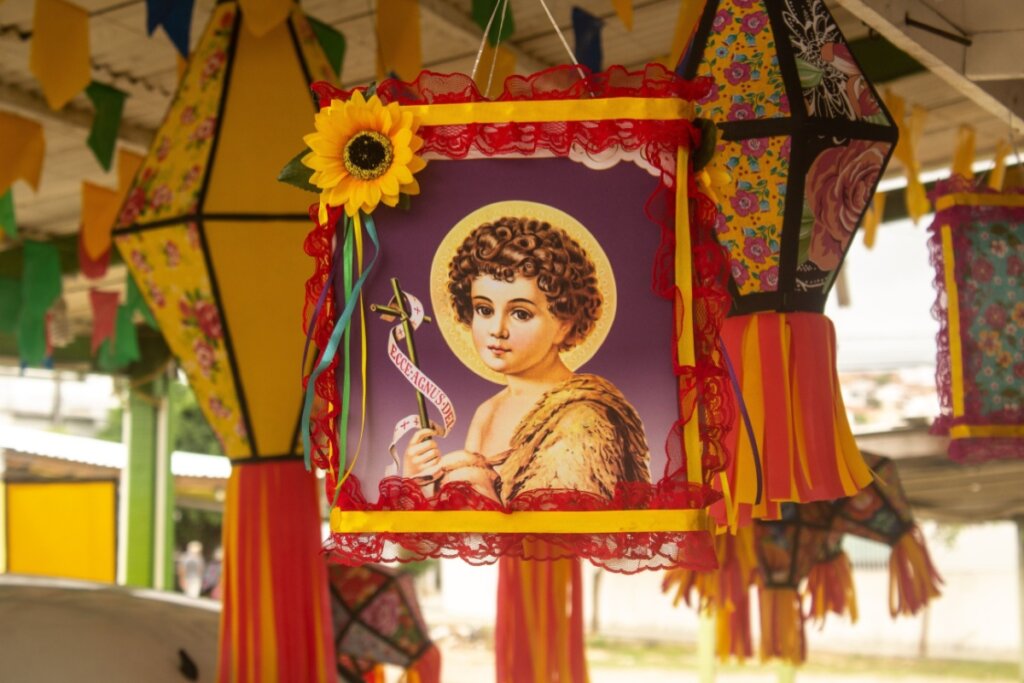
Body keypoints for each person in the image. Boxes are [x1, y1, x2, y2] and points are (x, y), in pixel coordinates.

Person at [404, 216, 651, 504]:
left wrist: (467, 481)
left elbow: (557, 539)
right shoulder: (487, 412)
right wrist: (420, 484)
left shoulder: (583, 419)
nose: (497, 329)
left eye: (520, 313)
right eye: (484, 309)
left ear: (565, 323)